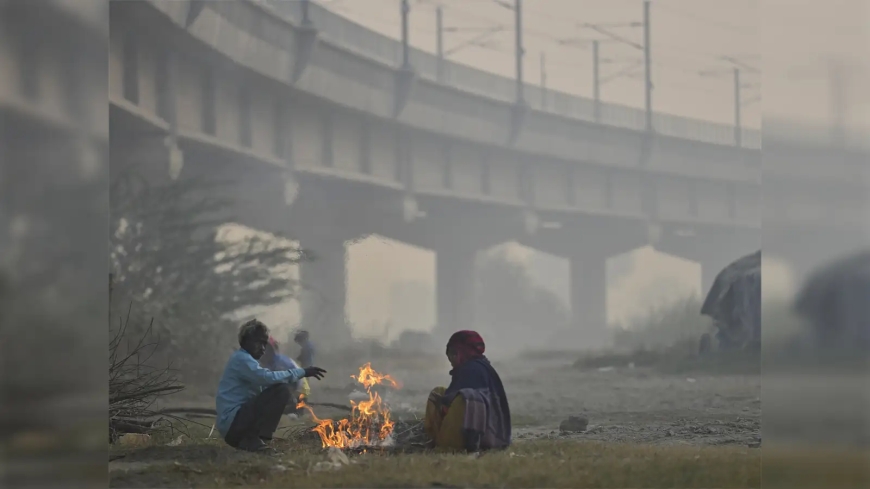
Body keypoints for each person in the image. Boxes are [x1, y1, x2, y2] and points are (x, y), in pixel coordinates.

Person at [215, 319, 327, 452]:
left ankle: (255, 438)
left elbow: (263, 387)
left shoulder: (245, 360)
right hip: (233, 425)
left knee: (280, 391)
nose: (263, 348)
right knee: (280, 390)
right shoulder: (242, 359)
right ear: (246, 341)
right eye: (259, 343)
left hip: (234, 425)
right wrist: (303, 371)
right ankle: (254, 439)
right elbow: (267, 377)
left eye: (265, 344)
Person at [423, 330, 511, 452]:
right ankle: (434, 439)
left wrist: (443, 403)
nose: (451, 363)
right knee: (439, 391)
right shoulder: (482, 366)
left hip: (482, 437)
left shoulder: (471, 370)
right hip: (495, 435)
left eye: (451, 357)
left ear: (457, 354)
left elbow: (460, 404)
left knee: (465, 398)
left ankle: (443, 443)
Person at [259, 336, 311, 414]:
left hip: (299, 393)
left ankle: (293, 409)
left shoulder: (280, 363)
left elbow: (296, 383)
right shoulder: (269, 362)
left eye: (266, 349)